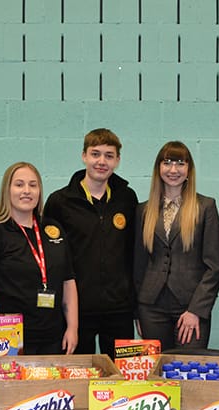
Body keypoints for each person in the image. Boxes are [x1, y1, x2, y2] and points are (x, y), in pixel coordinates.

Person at [43, 128, 138, 359]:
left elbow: (133, 253)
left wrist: (135, 306)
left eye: (109, 155)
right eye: (95, 154)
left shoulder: (127, 198)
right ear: (84, 156)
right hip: (76, 310)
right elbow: (51, 258)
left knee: (120, 374)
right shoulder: (59, 202)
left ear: (117, 160)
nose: (101, 161)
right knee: (78, 373)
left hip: (119, 309)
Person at [0, 162, 78, 354]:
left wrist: (73, 328)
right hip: (12, 341)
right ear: (7, 190)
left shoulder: (53, 229)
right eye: (19, 184)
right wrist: (1, 336)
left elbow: (68, 281)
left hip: (54, 338)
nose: (27, 191)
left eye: (33, 185)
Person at [133, 141, 219, 351]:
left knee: (188, 366)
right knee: (157, 368)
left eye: (180, 163)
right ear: (158, 168)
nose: (173, 170)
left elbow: (214, 266)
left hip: (191, 307)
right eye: (167, 163)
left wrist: (197, 310)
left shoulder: (206, 207)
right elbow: (138, 265)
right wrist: (137, 312)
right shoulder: (143, 210)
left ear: (189, 169)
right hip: (151, 308)